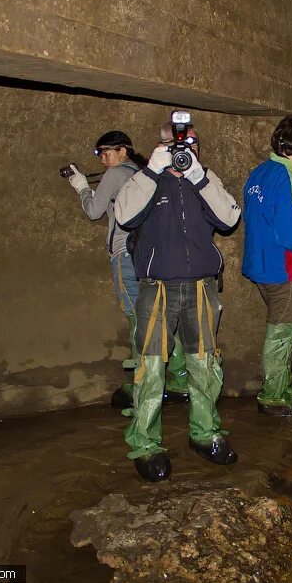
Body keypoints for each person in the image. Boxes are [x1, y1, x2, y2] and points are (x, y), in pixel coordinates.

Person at [114, 116, 241, 481]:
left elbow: (230, 217)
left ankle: (204, 434)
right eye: (180, 146)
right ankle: (146, 444)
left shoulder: (204, 179)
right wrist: (152, 172)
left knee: (204, 367)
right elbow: (123, 215)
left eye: (193, 144)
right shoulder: (147, 181)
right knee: (151, 370)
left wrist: (200, 177)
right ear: (163, 148)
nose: (187, 151)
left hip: (201, 288)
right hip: (157, 289)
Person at [66, 132, 192, 411]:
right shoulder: (145, 173)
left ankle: (144, 388)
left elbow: (94, 211)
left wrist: (82, 187)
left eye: (106, 152)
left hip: (125, 252)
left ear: (123, 151)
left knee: (138, 319)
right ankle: (180, 380)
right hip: (150, 256)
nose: (103, 159)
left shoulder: (115, 173)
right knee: (159, 316)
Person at [241, 115, 292, 416]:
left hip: (260, 264)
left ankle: (282, 384)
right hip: (284, 270)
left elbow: (250, 217)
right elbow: (291, 236)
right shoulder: (291, 180)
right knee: (283, 331)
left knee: (281, 326)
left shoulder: (259, 173)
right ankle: (273, 396)